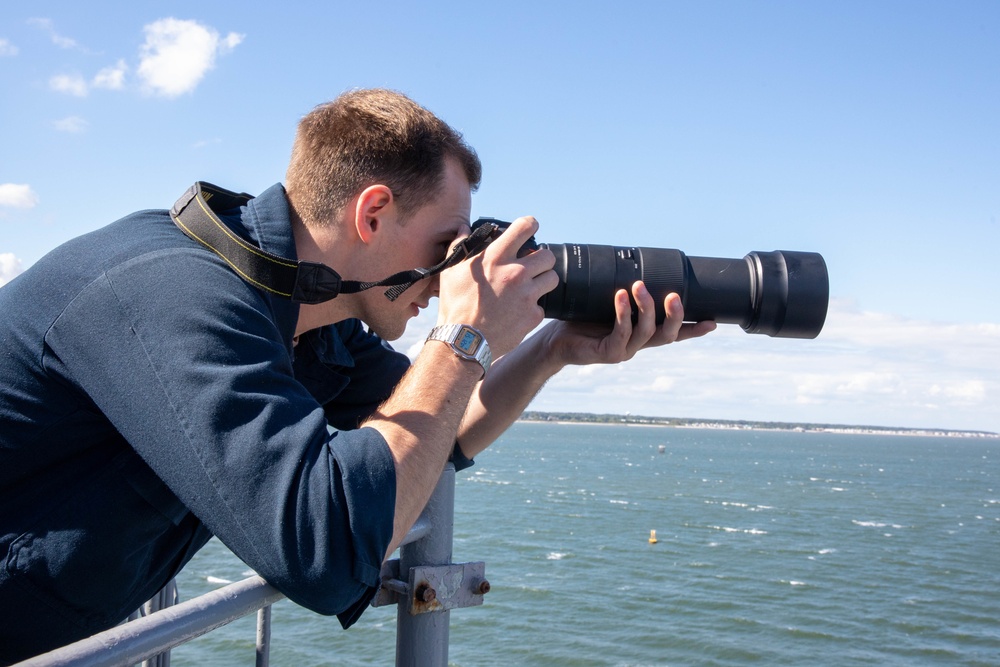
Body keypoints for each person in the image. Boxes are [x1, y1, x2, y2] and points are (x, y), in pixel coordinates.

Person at [0, 88, 715, 663]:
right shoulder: (176, 298)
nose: (449, 277)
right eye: (447, 243)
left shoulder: (313, 316)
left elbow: (433, 434)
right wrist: (462, 338)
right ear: (372, 212)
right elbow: (327, 548)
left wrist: (554, 348)